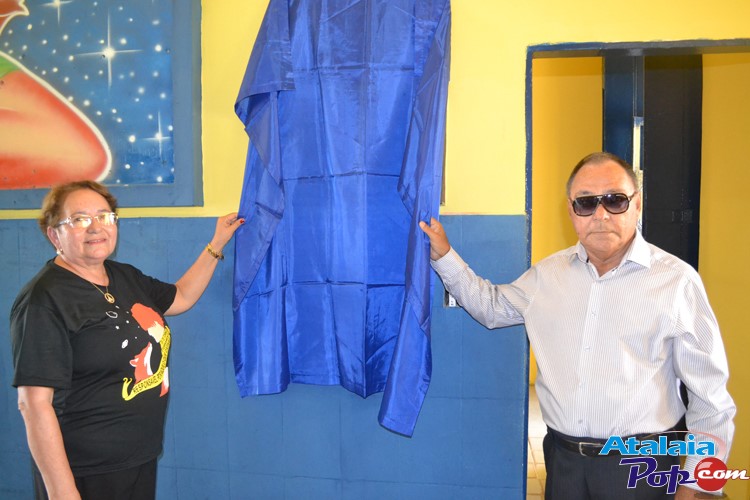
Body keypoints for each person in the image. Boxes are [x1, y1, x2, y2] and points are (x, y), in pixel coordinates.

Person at [419, 152, 735, 499]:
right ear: (571, 211)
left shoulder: (676, 282)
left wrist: (700, 484)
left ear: (637, 204)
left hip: (642, 470)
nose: (601, 214)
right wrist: (444, 255)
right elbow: (491, 307)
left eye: (615, 200)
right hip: (564, 465)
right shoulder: (546, 277)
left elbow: (711, 399)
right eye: (586, 203)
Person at [10, 180, 243, 500]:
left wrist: (216, 243)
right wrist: (62, 491)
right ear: (54, 235)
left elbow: (181, 297)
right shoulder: (44, 300)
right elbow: (33, 404)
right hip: (85, 472)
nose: (95, 227)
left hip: (137, 459)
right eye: (79, 219)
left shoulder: (124, 276)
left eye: (104, 216)